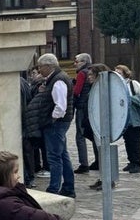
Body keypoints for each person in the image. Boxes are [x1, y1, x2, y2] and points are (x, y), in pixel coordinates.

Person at [35, 53, 75, 198]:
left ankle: (54, 188)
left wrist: (52, 119)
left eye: (41, 67)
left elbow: (60, 106)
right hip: (58, 123)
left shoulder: (58, 80)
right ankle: (68, 187)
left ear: (48, 66)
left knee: (54, 156)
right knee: (62, 155)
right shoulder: (57, 78)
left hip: (56, 124)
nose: (39, 70)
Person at [83, 64, 112, 191]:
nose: (88, 77)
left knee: (104, 152)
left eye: (91, 75)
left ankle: (108, 179)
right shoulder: (94, 88)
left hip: (101, 125)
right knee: (100, 153)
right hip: (95, 124)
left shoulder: (103, 89)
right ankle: (102, 178)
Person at [115, 64, 140, 174]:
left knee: (135, 140)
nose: (117, 75)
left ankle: (137, 163)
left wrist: (129, 98)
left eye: (119, 73)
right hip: (122, 118)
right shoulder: (115, 85)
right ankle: (131, 162)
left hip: (134, 118)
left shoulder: (134, 84)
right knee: (127, 140)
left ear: (125, 74)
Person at [72, 53, 98, 174]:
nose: (74, 64)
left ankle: (84, 163)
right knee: (94, 134)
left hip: (82, 107)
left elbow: (76, 91)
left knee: (80, 135)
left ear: (83, 62)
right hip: (92, 106)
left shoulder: (82, 73)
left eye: (77, 61)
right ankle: (98, 160)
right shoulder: (92, 71)